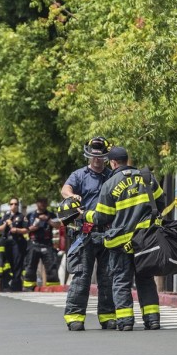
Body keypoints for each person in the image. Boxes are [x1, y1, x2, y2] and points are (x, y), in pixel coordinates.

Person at [85, 146, 165, 331]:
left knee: (121, 281)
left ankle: (125, 321)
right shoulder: (147, 177)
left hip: (122, 243)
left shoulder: (110, 184)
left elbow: (102, 217)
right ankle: (152, 319)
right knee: (145, 279)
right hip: (145, 241)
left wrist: (85, 215)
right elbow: (161, 203)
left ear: (112, 163)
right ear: (127, 159)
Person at [61, 136, 116, 331]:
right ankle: (75, 317)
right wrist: (71, 195)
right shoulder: (79, 175)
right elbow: (65, 189)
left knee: (107, 277)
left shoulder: (111, 176)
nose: (97, 159)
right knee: (82, 276)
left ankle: (108, 316)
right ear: (88, 156)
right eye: (93, 156)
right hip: (85, 234)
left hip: (107, 233)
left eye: (100, 156)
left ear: (105, 157)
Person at [22, 197, 62, 291]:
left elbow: (58, 225)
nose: (43, 204)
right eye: (41, 202)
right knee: (30, 266)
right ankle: (29, 286)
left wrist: (47, 219)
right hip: (34, 243)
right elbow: (25, 229)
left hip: (47, 244)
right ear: (36, 203)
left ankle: (53, 286)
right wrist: (32, 228)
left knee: (51, 266)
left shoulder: (51, 215)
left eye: (45, 202)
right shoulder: (30, 215)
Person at [0, 197, 28, 292]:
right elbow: (0, 229)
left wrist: (16, 229)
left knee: (17, 263)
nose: (13, 206)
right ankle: (6, 284)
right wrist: (6, 223)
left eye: (15, 204)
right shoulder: (6, 216)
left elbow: (26, 229)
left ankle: (17, 284)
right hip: (7, 243)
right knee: (7, 264)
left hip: (17, 242)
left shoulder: (21, 216)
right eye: (11, 204)